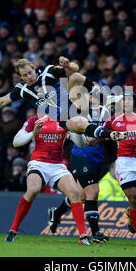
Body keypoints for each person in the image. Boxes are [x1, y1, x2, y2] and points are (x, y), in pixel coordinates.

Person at [0, 57, 126, 142]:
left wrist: (68, 65)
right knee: (79, 126)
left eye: (30, 72)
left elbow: (76, 69)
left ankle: (106, 99)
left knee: (75, 77)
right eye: (24, 75)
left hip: (72, 100)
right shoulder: (22, 90)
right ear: (20, 78)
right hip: (63, 117)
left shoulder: (49, 71)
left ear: (33, 68)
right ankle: (109, 135)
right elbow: (1, 101)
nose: (29, 77)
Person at [4, 113, 92, 245]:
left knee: (75, 193)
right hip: (38, 163)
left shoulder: (66, 120)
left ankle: (83, 236)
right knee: (33, 191)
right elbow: (16, 142)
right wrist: (33, 133)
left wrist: (77, 130)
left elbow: (80, 144)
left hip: (57, 166)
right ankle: (13, 230)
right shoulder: (35, 119)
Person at [48, 89, 111, 243]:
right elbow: (66, 128)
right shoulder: (78, 112)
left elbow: (108, 133)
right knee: (93, 192)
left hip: (97, 158)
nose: (92, 97)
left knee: (81, 196)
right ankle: (96, 233)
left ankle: (56, 213)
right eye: (89, 94)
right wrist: (73, 135)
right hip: (81, 155)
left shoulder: (106, 112)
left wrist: (99, 139)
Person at [103, 90, 136, 245]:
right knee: (133, 197)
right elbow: (103, 133)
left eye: (129, 100)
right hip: (124, 162)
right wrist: (91, 140)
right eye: (124, 100)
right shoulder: (114, 119)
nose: (126, 103)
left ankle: (130, 213)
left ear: (134, 102)